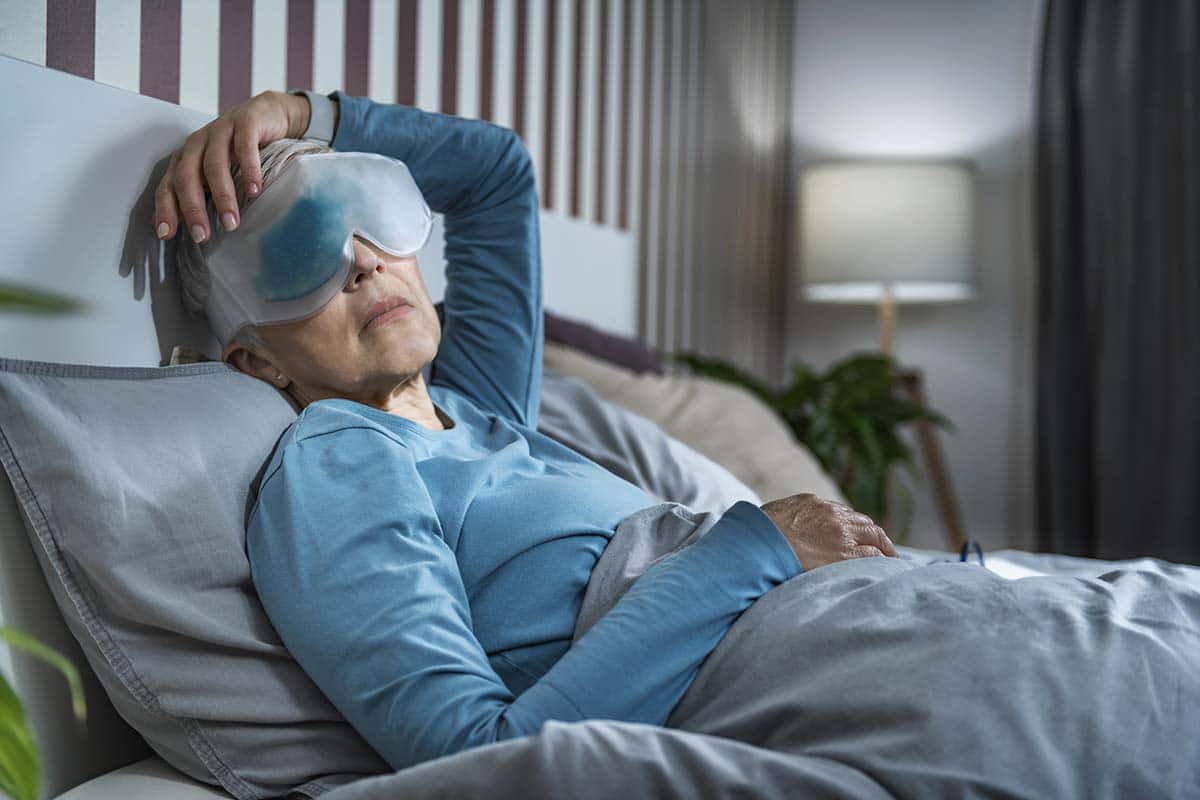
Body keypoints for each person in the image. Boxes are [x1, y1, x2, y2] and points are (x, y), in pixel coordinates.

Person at [154, 89, 899, 772]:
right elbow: (481, 762)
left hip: (860, 628)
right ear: (257, 362)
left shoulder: (483, 406)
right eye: (298, 252)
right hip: (802, 665)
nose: (365, 263)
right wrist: (752, 548)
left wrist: (296, 114)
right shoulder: (339, 460)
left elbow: (495, 173)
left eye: (368, 213)